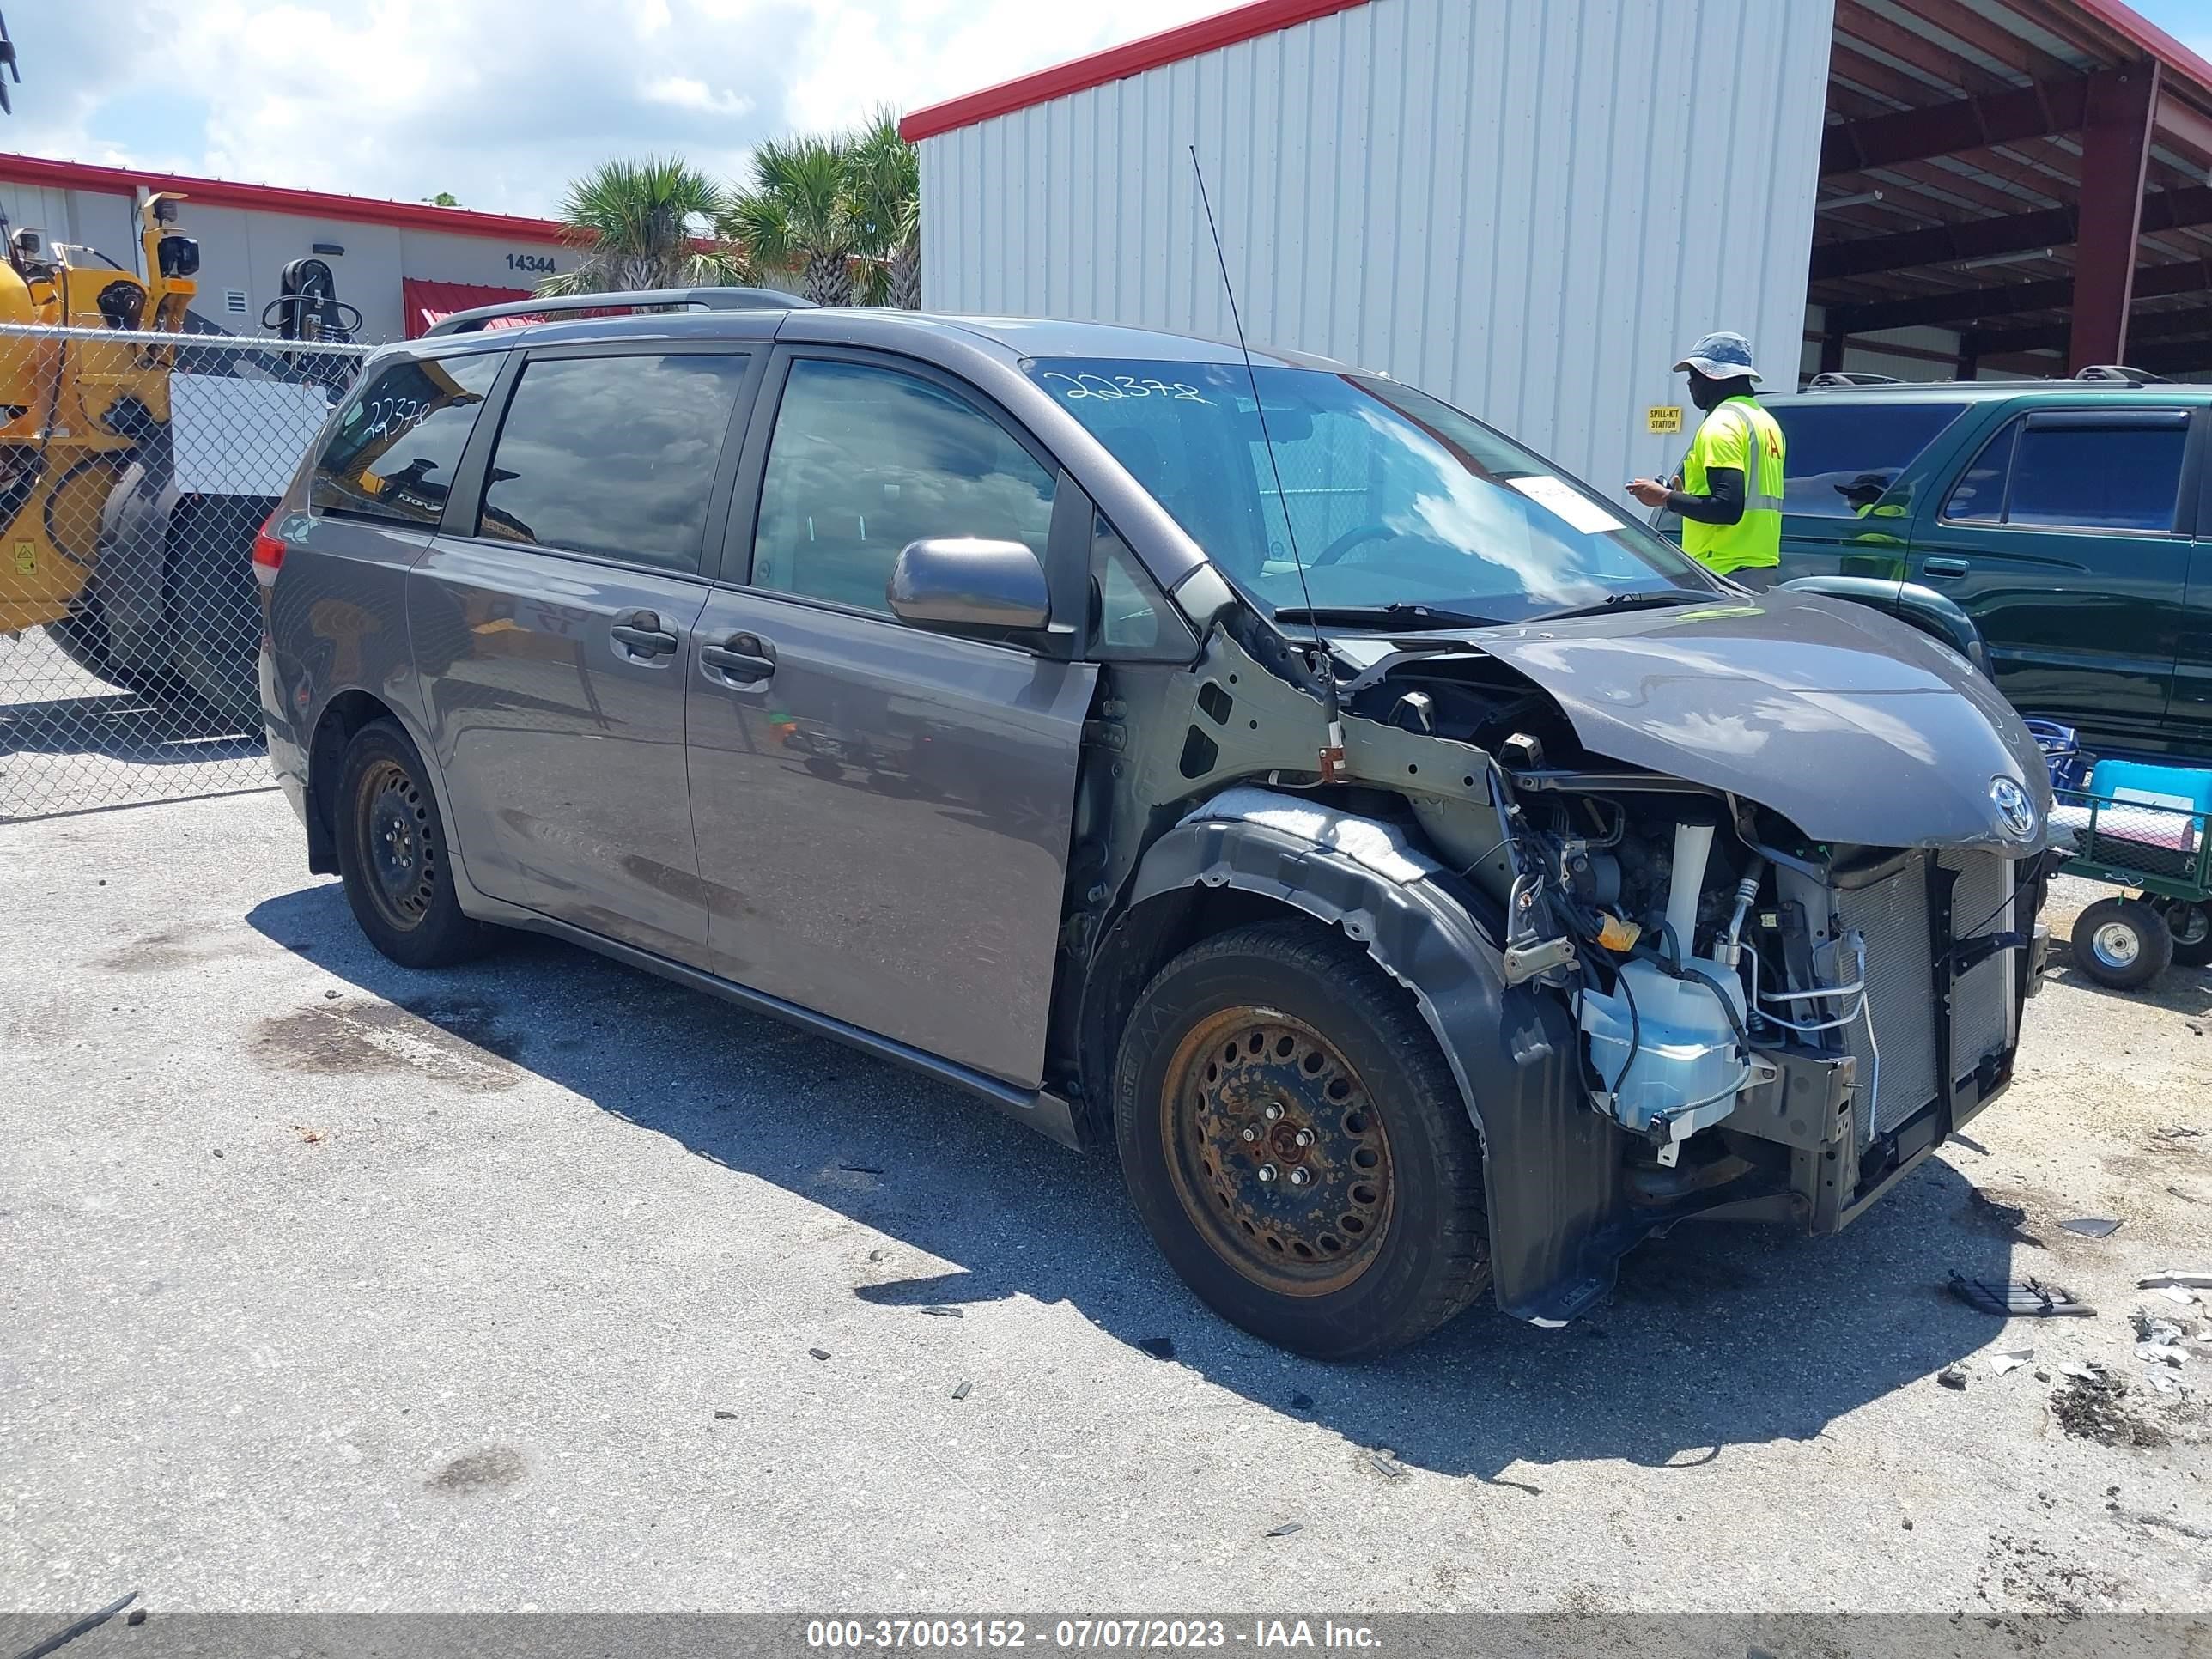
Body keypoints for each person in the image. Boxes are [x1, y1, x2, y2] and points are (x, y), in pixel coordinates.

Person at [1627, 331, 1786, 592]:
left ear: (1714, 376)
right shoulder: (1765, 422)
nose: (1689, 384)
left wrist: (1665, 497)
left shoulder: (1722, 423)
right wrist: (1688, 497)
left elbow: (1727, 507)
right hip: (1759, 565)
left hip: (1723, 570)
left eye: (1693, 376)